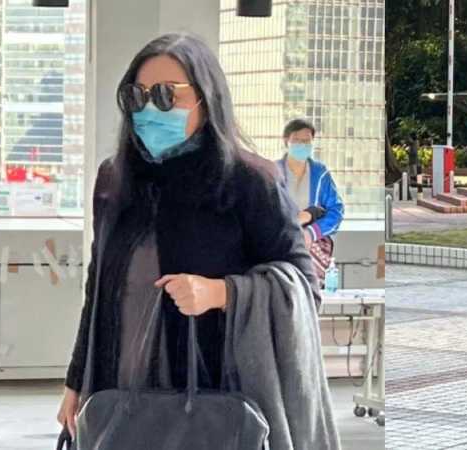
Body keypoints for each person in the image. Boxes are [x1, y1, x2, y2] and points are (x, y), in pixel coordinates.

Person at [56, 33, 328, 443]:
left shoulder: (250, 182)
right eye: (138, 96)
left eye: (167, 94)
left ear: (206, 96)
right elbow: (98, 288)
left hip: (213, 403)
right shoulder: (115, 179)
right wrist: (76, 382)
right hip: (118, 396)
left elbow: (304, 288)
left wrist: (222, 293)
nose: (150, 108)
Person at [277, 119, 344, 284]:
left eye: (306, 141)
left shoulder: (320, 173)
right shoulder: (273, 173)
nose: (302, 145)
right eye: (296, 140)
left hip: (314, 241)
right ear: (286, 141)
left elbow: (336, 211)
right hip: (281, 239)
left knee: (309, 283)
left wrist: (311, 232)